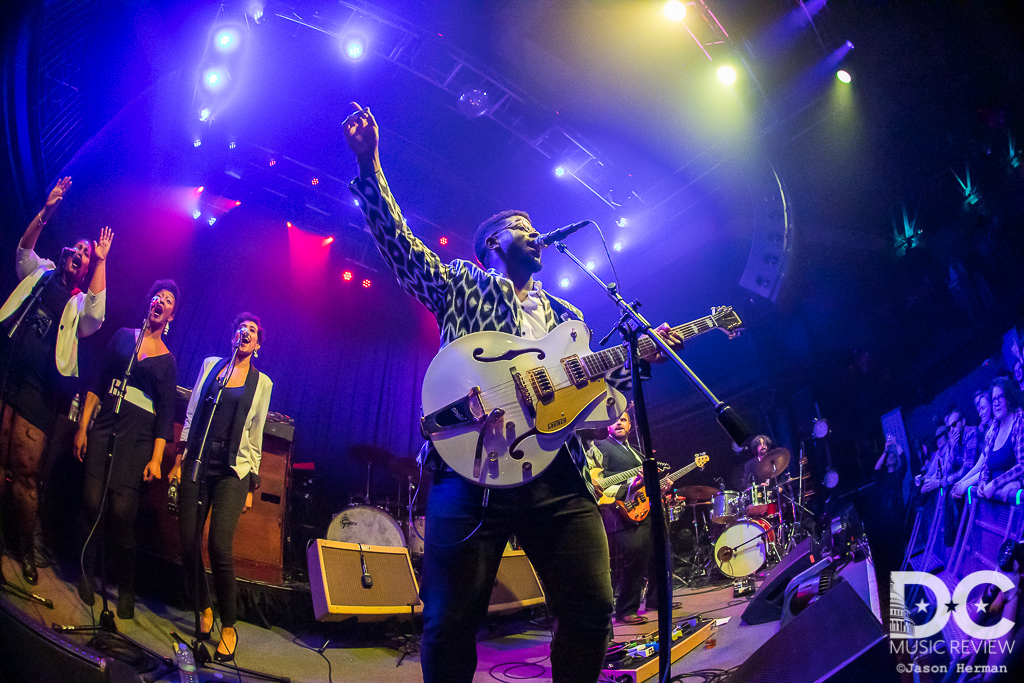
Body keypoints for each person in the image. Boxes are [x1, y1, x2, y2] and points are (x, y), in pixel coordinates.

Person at [342, 102, 681, 683]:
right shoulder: (463, 284)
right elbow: (401, 250)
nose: (533, 234)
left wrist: (636, 356)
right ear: (492, 245)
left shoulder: (568, 316)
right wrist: (371, 167)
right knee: (449, 622)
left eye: (533, 227)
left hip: (558, 474)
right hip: (472, 470)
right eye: (519, 228)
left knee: (593, 605)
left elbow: (598, 392)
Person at [0, 177, 112, 584]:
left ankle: (24, 547)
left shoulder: (80, 302)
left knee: (26, 472)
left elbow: (98, 316)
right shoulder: (42, 273)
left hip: (39, 389)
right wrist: (47, 211)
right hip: (7, 369)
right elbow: (22, 251)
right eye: (79, 250)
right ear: (66, 255)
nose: (80, 254)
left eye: (86, 255)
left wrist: (100, 260)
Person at [73, 281, 179, 618]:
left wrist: (157, 458)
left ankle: (127, 585)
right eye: (157, 296)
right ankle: (86, 572)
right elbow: (98, 382)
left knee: (121, 513)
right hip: (105, 424)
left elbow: (165, 417)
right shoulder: (122, 337)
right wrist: (83, 426)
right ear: (149, 304)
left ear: (171, 316)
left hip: (138, 439)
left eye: (168, 300)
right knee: (91, 501)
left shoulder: (167, 361)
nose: (160, 301)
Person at [170, 314, 272, 662]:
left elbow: (255, 436)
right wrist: (180, 454)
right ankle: (203, 606)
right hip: (197, 460)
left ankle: (229, 624)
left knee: (218, 545)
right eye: (242, 328)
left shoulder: (262, 383)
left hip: (233, 470)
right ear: (234, 336)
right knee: (186, 539)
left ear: (257, 345)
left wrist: (250, 484)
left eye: (253, 331)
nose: (246, 332)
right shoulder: (212, 366)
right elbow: (194, 408)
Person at [594, 411, 670, 625]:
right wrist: (631, 485)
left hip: (643, 508)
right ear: (608, 426)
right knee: (635, 557)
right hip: (620, 512)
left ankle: (656, 600)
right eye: (614, 420)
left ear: (631, 426)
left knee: (657, 553)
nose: (619, 422)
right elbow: (600, 480)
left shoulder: (636, 453)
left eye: (624, 419)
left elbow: (643, 484)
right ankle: (626, 609)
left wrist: (659, 488)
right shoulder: (602, 446)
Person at [978, 377, 1024, 502]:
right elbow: (986, 464)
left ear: (1008, 398)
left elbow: (1022, 466)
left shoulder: (1019, 422)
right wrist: (983, 481)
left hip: (1014, 504)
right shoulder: (994, 430)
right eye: (993, 400)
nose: (996, 403)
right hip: (993, 504)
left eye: (1000, 397)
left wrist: (995, 484)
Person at [951, 389, 994, 498]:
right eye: (978, 408)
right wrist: (960, 483)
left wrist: (964, 484)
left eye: (983, 408)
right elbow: (979, 465)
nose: (979, 413)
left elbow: (988, 467)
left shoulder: (973, 432)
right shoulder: (988, 431)